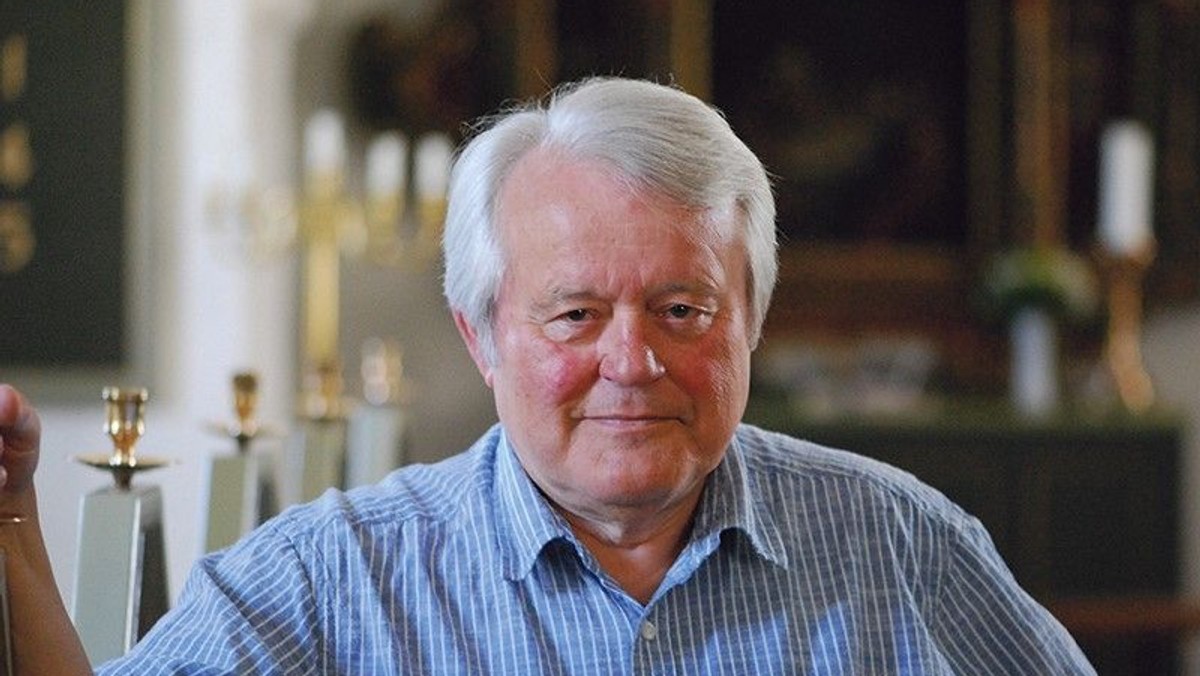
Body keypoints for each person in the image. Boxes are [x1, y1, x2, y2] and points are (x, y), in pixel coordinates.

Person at [0, 77, 1094, 674]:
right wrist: (11, 526)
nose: (632, 363)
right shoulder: (333, 580)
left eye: (682, 310)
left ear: (751, 320)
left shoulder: (902, 545)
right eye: (575, 314)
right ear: (481, 336)